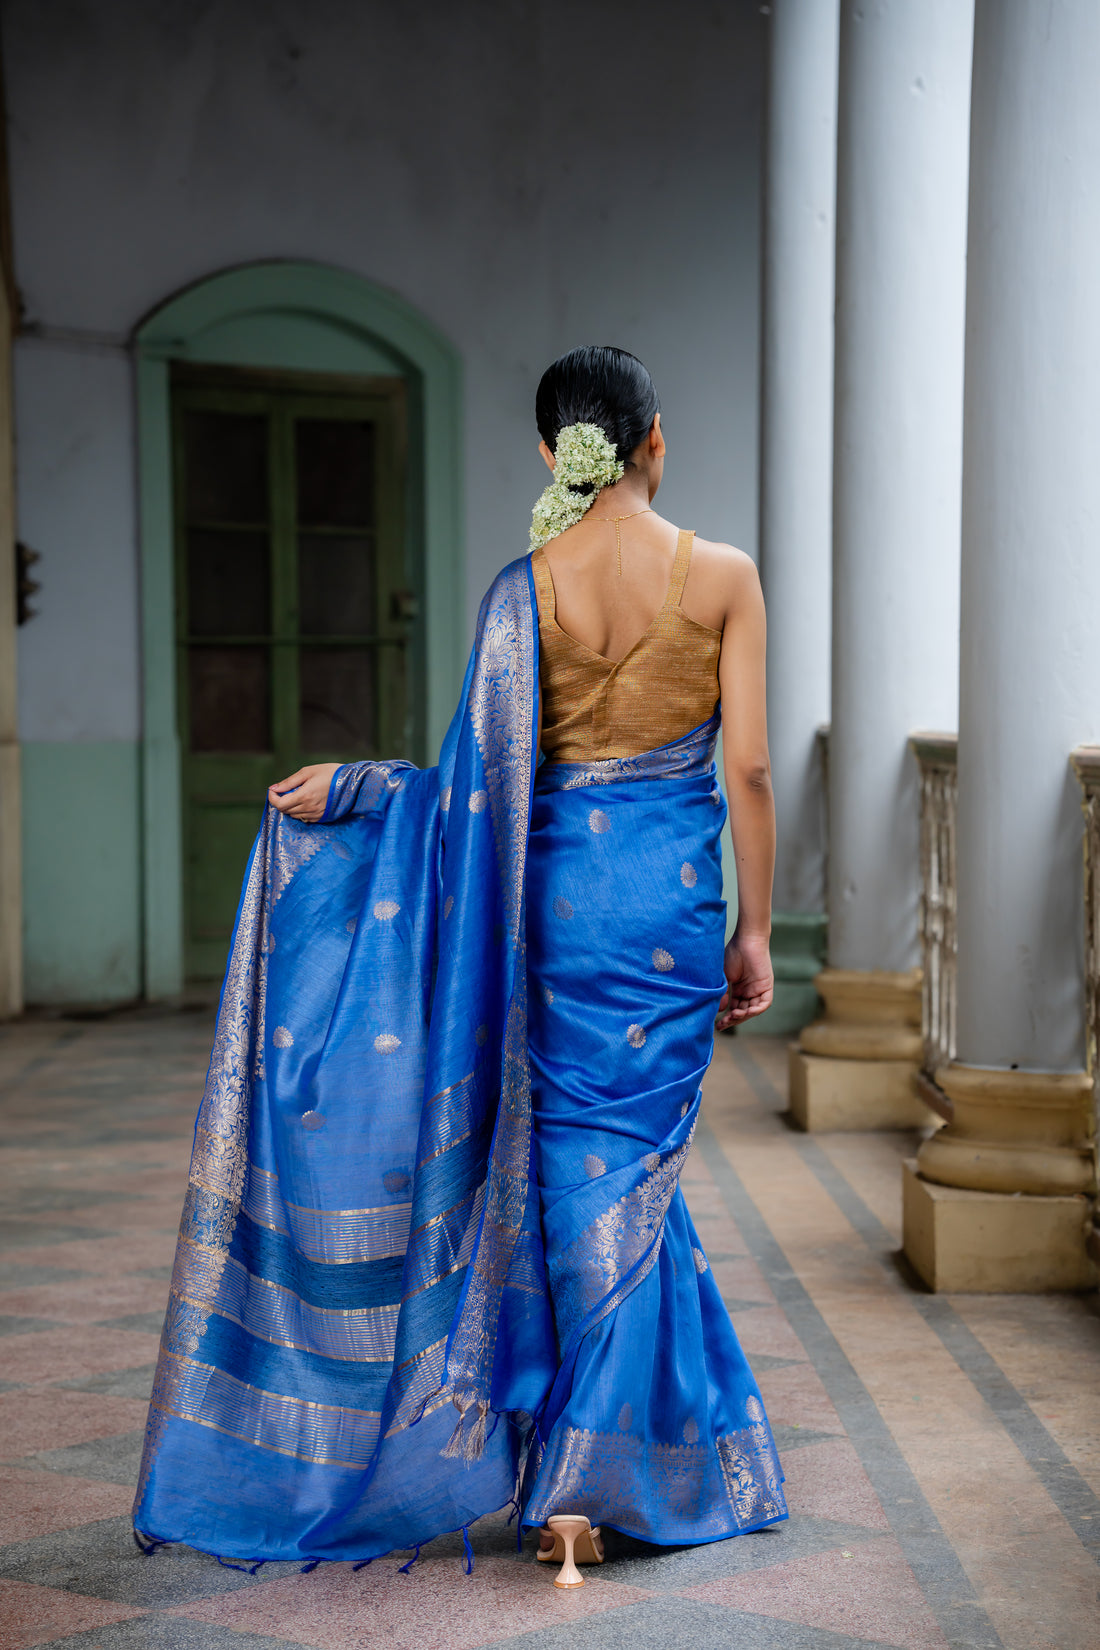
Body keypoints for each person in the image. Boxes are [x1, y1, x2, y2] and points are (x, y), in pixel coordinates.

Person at [133, 345, 787, 1584]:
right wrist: (754, 929)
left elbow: (475, 803)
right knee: (628, 1175)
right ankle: (588, 1485)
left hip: (547, 919)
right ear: (656, 440)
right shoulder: (724, 577)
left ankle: (580, 1462)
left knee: (565, 1176)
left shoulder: (520, 590)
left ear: (553, 456)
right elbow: (747, 769)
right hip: (665, 920)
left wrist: (362, 789)